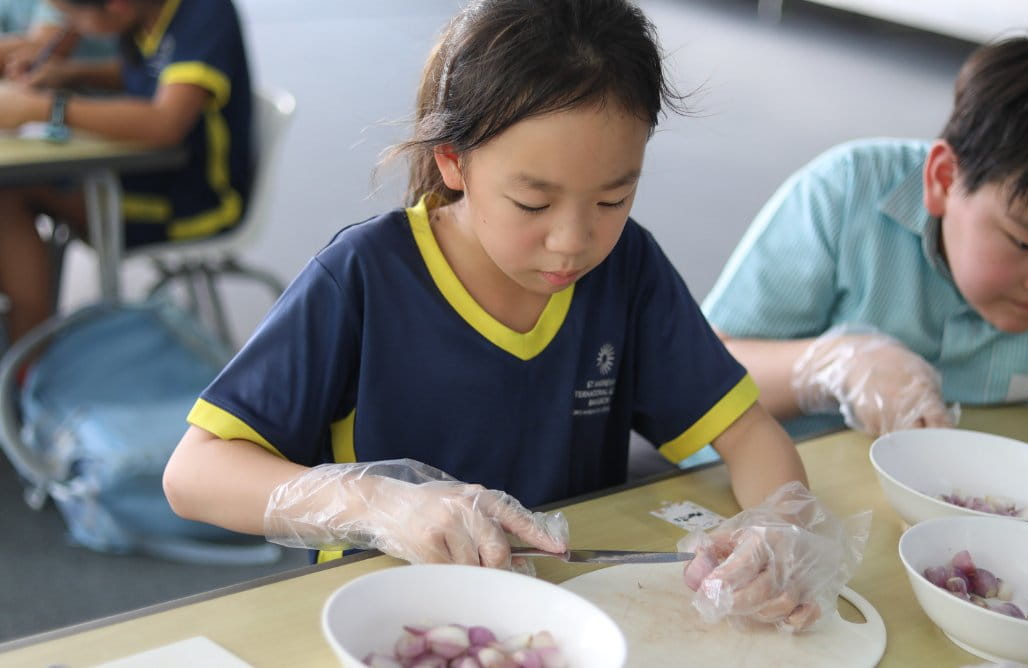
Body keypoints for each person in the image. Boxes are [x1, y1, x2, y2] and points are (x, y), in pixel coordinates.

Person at [162, 0, 865, 632]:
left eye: (613, 200)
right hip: (387, 614)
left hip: (566, 614)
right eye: (533, 203)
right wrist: (379, 505)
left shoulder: (627, 270)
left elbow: (748, 433)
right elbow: (194, 474)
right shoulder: (364, 278)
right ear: (452, 162)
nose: (573, 241)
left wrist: (779, 529)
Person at [700, 34, 1028, 519]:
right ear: (943, 179)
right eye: (1024, 243)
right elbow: (698, 373)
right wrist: (829, 365)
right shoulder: (841, 198)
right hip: (796, 508)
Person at [0, 0, 252, 343]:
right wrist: (69, 73)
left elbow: (165, 123)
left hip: (192, 203)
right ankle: (27, 352)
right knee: (11, 189)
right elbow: (145, 74)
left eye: (73, 16)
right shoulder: (146, 14)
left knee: (9, 194)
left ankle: (27, 355)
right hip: (144, 179)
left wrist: (45, 108)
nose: (69, 28)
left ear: (117, 7)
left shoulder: (205, 11)